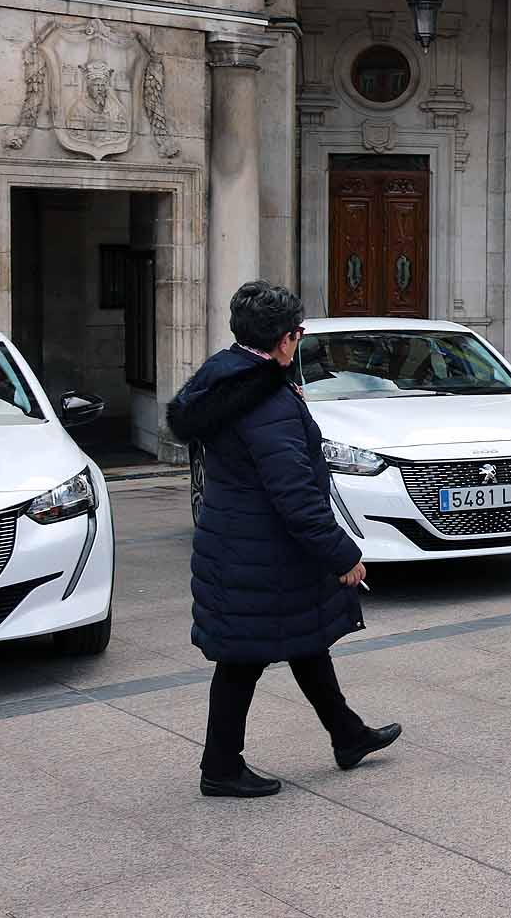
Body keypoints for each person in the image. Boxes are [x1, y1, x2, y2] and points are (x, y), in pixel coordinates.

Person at [167, 281, 399, 799]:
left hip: (242, 544)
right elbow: (293, 492)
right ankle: (221, 769)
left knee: (305, 642)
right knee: (242, 663)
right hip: (259, 553)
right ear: (286, 339)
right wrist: (343, 554)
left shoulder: (225, 374)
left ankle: (348, 735)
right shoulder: (266, 399)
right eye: (299, 333)